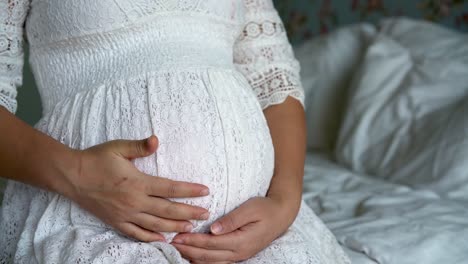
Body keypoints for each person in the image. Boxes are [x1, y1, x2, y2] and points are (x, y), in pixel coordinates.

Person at [0, 0, 350, 263]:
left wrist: (284, 202)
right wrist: (78, 175)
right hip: (90, 227)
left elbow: (275, 80)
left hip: (261, 239)